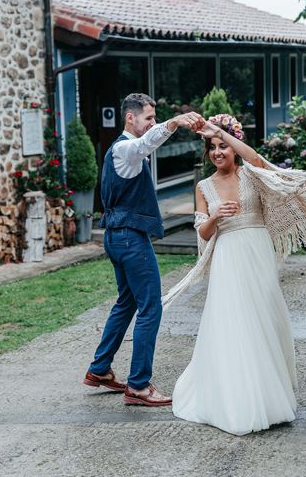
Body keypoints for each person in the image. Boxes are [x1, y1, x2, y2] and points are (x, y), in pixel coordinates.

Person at [165, 114, 306, 434]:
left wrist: (218, 130)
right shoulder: (203, 186)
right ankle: (237, 399)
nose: (218, 152)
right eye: (212, 147)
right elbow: (204, 234)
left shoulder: (251, 175)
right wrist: (215, 216)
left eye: (223, 145)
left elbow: (255, 157)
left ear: (233, 147)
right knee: (234, 322)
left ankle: (270, 396)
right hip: (228, 256)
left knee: (263, 318)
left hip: (257, 251)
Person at [83, 93, 204, 407]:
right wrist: (174, 122)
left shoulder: (122, 153)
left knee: (127, 302)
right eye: (148, 118)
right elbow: (145, 144)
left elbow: (145, 146)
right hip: (129, 238)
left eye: (155, 118)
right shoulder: (125, 148)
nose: (152, 123)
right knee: (150, 306)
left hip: (116, 235)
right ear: (130, 119)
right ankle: (138, 385)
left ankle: (99, 369)